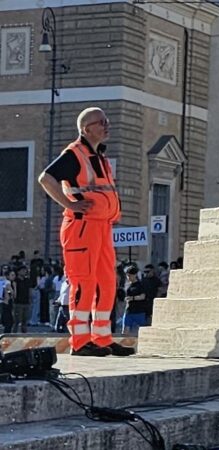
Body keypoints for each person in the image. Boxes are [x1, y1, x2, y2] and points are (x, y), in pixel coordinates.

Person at [38, 107, 134, 357]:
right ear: (86, 128)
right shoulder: (74, 154)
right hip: (81, 227)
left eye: (107, 120)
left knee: (106, 282)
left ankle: (102, 338)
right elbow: (46, 179)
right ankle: (80, 342)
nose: (106, 125)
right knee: (84, 283)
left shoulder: (99, 156)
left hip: (101, 227)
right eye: (101, 122)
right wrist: (69, 204)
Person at [122, 266, 147, 335]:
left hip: (139, 310)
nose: (128, 277)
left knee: (141, 330)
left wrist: (132, 298)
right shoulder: (128, 285)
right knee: (125, 330)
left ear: (135, 275)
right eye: (127, 276)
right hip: (129, 310)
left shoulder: (140, 285)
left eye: (130, 275)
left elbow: (142, 296)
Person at [12, 266, 31, 333]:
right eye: (22, 270)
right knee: (16, 321)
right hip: (18, 303)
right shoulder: (16, 281)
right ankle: (13, 334)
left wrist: (30, 299)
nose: (24, 272)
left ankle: (24, 335)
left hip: (26, 302)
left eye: (25, 270)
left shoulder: (27, 280)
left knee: (25, 320)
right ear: (18, 272)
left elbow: (29, 290)